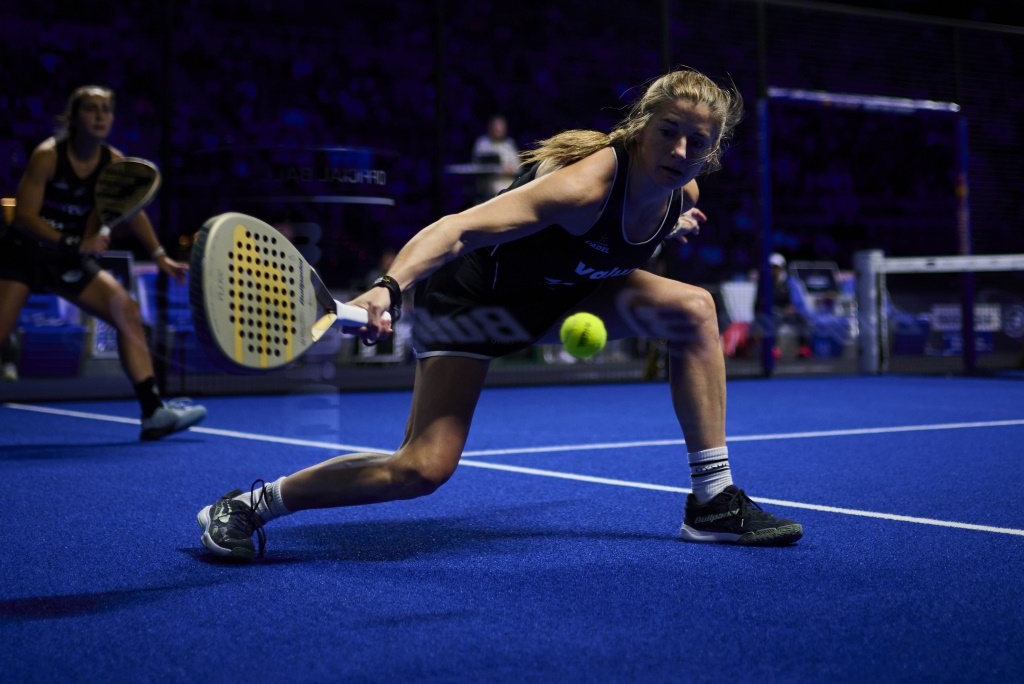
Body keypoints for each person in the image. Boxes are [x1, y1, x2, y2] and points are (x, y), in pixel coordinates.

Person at [197, 67, 803, 561]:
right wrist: (388, 288)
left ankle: (713, 501)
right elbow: (458, 230)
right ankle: (253, 503)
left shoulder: (681, 191)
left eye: (697, 142)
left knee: (694, 308)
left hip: (558, 299)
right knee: (421, 469)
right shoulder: (585, 186)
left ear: (713, 151)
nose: (680, 150)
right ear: (641, 126)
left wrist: (675, 221)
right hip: (473, 303)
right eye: (669, 131)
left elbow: (647, 225)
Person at [0, 85, 206, 439]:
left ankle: (153, 411)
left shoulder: (112, 162)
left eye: (106, 110)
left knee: (126, 311)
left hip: (68, 260)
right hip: (23, 256)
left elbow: (134, 209)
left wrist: (159, 256)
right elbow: (24, 218)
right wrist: (76, 241)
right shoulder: (48, 156)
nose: (99, 116)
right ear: (73, 118)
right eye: (91, 109)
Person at [755, 252, 812, 359]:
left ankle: (804, 348)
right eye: (772, 267)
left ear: (782, 268)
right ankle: (773, 349)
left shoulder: (790, 282)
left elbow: (795, 302)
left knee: (803, 319)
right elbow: (758, 304)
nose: (774, 270)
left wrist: (792, 308)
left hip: (787, 314)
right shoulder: (763, 284)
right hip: (772, 314)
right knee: (771, 321)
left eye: (776, 267)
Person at [471, 114, 521, 199]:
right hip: (486, 189)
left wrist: (510, 170)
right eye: (496, 126)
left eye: (501, 127)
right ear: (490, 127)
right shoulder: (482, 143)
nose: (498, 129)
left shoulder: (509, 145)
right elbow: (476, 165)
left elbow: (518, 168)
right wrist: (499, 169)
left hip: (507, 188)